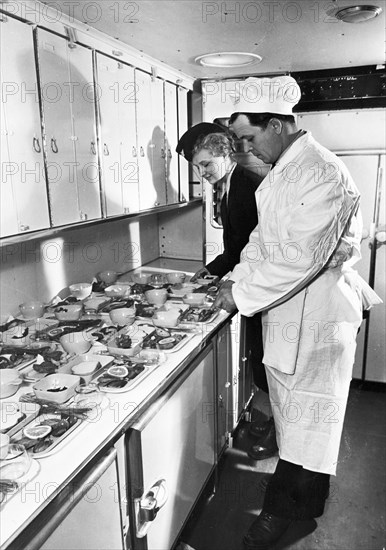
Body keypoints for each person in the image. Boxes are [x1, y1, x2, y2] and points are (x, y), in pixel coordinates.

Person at [214, 75, 381, 550]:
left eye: (249, 137)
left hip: (320, 317)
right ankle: (302, 504)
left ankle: (286, 516)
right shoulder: (286, 172)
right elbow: (264, 245)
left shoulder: (321, 172)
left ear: (280, 125)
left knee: (312, 422)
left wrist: (239, 297)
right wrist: (235, 280)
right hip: (292, 314)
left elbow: (298, 258)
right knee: (297, 419)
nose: (245, 149)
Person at [176, 123, 277, 459]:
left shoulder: (248, 187)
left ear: (225, 155)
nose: (202, 173)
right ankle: (275, 424)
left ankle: (279, 435)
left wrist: (228, 278)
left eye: (206, 164)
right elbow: (236, 246)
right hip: (245, 282)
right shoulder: (229, 184)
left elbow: (253, 249)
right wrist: (212, 270)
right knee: (262, 362)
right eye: (197, 167)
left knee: (267, 363)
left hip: (259, 288)